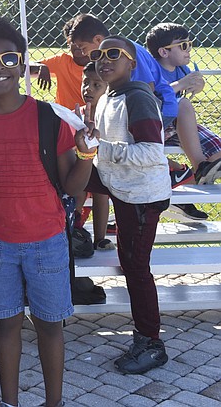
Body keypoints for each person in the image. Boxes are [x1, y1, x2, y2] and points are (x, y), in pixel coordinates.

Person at [0, 19, 97, 407]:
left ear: (22, 65)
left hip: (48, 241)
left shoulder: (50, 119)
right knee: (7, 324)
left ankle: (54, 402)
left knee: (51, 325)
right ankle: (10, 402)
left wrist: (86, 154)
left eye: (8, 58)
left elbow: (72, 188)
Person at [86, 36, 171, 375]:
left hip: (141, 196)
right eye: (98, 55)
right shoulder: (110, 94)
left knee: (136, 267)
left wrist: (99, 148)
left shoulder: (137, 98)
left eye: (113, 54)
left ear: (131, 63)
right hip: (119, 186)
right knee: (63, 175)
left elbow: (151, 152)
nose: (103, 60)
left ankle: (151, 342)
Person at [66, 14, 221, 187]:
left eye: (83, 47)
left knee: (147, 146)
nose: (82, 53)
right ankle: (179, 175)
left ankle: (185, 172)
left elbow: (147, 89)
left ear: (98, 39)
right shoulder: (117, 53)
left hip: (158, 112)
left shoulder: (127, 51)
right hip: (153, 114)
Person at [146, 22, 221, 218]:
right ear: (164, 52)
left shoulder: (182, 69)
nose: (189, 49)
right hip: (156, 123)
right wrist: (181, 85)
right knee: (184, 105)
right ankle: (199, 166)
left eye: (189, 44)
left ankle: (182, 189)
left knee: (218, 153)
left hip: (178, 125)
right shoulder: (152, 69)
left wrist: (199, 84)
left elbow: (192, 84)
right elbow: (149, 97)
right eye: (183, 45)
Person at [79, 63, 114, 251]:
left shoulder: (110, 114)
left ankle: (100, 238)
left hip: (103, 165)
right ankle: (74, 228)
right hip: (80, 164)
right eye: (85, 82)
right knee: (77, 186)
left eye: (96, 85)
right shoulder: (77, 113)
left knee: (101, 189)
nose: (88, 89)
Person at [32, 17, 89, 110]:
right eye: (74, 41)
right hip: (64, 117)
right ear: (68, 42)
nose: (78, 45)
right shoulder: (62, 61)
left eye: (82, 41)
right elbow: (26, 65)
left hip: (91, 116)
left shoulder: (100, 63)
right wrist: (40, 66)